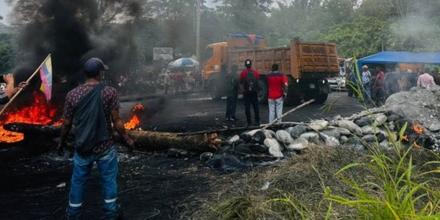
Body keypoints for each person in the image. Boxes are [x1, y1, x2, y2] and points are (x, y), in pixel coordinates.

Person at [57, 57, 134, 220]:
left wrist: (61, 142)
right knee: (109, 181)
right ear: (99, 73)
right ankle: (111, 213)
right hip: (105, 147)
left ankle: (73, 214)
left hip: (82, 148)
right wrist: (126, 139)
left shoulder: (72, 95)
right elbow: (117, 121)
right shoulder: (109, 92)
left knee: (77, 183)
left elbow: (66, 124)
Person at [240, 59, 260, 126]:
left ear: (245, 65)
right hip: (254, 92)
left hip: (246, 93)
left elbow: (241, 82)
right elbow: (257, 81)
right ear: (251, 65)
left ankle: (249, 122)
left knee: (247, 108)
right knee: (256, 107)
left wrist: (243, 91)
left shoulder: (243, 73)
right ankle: (257, 121)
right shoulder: (255, 72)